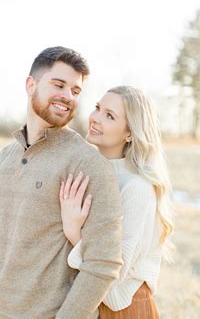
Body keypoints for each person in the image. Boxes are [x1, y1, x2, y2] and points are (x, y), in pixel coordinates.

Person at [0, 46, 123, 318]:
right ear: (31, 85)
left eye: (75, 91)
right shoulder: (6, 156)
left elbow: (103, 263)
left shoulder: (87, 163)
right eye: (59, 85)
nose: (67, 96)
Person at [60, 86, 174, 318]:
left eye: (109, 116)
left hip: (125, 309)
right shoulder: (90, 174)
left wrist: (74, 232)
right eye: (98, 108)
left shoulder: (136, 188)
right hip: (90, 304)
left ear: (130, 133)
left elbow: (114, 276)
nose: (95, 118)